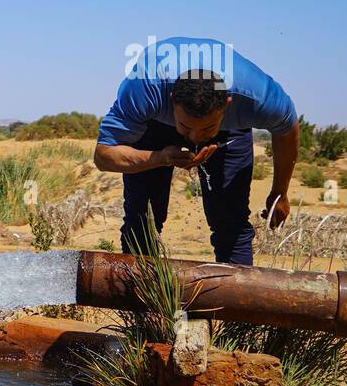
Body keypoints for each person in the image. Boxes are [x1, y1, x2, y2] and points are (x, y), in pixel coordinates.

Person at [93, 37, 298, 265]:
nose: (195, 138)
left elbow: (287, 131)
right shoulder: (145, 89)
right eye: (186, 128)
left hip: (228, 130)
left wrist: (280, 193)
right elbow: (103, 156)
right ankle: (142, 295)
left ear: (228, 104)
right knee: (143, 221)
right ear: (172, 100)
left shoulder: (258, 97)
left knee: (231, 224)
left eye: (207, 128)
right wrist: (161, 158)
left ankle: (231, 298)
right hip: (157, 123)